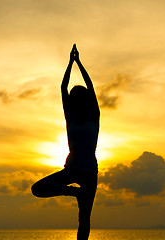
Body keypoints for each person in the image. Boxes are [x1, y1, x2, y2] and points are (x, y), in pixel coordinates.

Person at [31, 44, 100, 240]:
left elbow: (91, 87)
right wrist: (70, 62)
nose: (75, 98)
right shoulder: (70, 117)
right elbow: (62, 88)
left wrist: (79, 62)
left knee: (84, 219)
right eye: (73, 97)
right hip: (71, 169)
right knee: (37, 189)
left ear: (84, 99)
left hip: (90, 173)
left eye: (78, 96)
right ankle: (74, 193)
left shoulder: (94, 116)